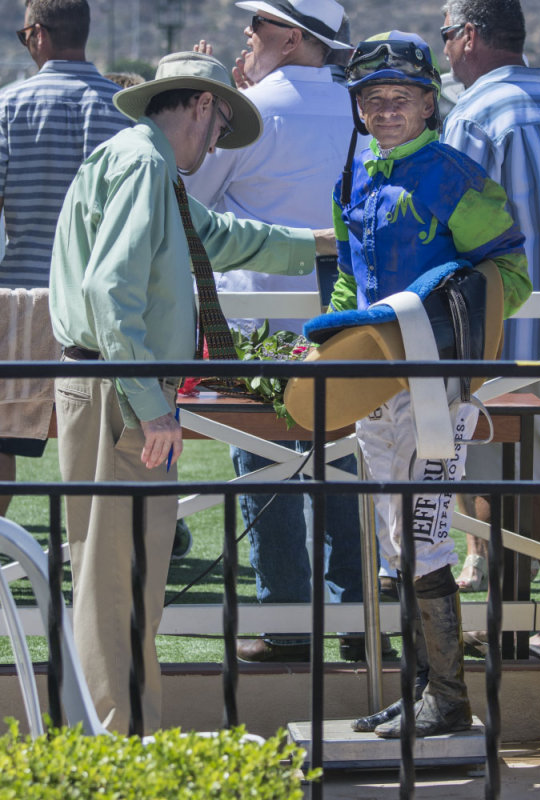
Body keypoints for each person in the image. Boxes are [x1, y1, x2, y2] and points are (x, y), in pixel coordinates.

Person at [49, 50, 334, 734]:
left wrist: (324, 243)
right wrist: (152, 408)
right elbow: (110, 292)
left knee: (118, 578)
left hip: (109, 384)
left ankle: (116, 733)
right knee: (118, 582)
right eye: (221, 126)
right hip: (120, 393)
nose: (216, 148)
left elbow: (226, 239)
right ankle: (119, 742)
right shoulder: (147, 167)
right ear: (202, 106)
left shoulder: (148, 168)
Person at [324, 30, 530, 738]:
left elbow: (511, 276)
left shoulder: (455, 177)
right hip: (372, 389)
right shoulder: (351, 179)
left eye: (400, 98)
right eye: (372, 99)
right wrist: (338, 336)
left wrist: (444, 322)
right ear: (357, 109)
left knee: (424, 540)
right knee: (395, 543)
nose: (385, 110)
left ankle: (446, 700)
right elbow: (350, 276)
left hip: (435, 391)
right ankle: (421, 690)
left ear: (426, 105)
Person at [186, 0, 371, 663]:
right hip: (345, 330)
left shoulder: (251, 110)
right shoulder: (361, 109)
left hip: (259, 334)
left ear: (290, 37)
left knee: (262, 459)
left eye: (258, 23)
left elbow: (193, 202)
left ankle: (289, 624)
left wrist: (228, 104)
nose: (248, 31)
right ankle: (358, 617)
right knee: (346, 459)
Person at [441, 0, 540, 658]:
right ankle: (519, 625)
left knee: (517, 479)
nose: (444, 49)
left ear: (469, 36)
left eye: (445, 36)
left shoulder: (474, 114)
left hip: (493, 326)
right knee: (506, 472)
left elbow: (444, 227)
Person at [0, 0, 129, 516]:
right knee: (106, 451)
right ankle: (104, 566)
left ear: (36, 35)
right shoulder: (124, 111)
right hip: (104, 314)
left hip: (20, 309)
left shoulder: (8, 108)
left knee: (1, 441)